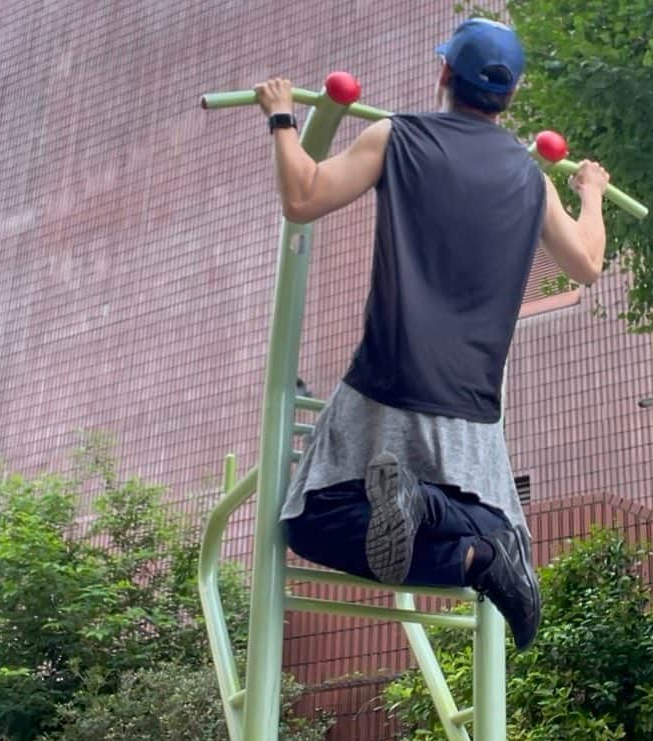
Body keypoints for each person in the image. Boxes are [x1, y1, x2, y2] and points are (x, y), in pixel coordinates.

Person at [254, 18, 610, 650]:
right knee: (495, 522)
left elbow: (303, 196)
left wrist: (282, 116)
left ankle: (447, 528)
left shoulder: (398, 136)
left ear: (445, 74)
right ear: (512, 96)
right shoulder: (532, 178)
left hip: (385, 389)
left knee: (309, 523)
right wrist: (592, 193)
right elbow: (585, 262)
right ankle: (462, 539)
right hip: (471, 410)